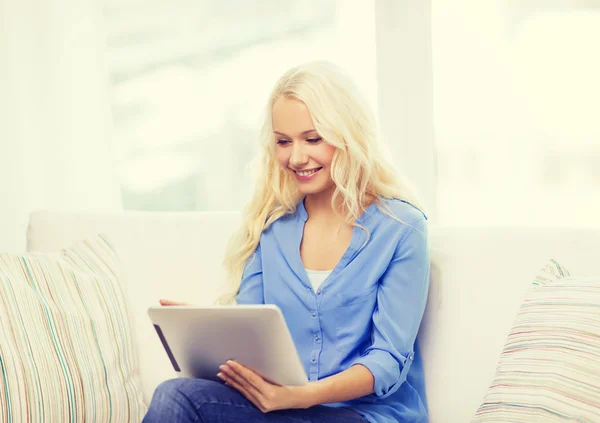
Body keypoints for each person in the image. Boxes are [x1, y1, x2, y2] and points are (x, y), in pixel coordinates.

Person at [143, 61, 430, 423]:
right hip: (283, 412)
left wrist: (303, 396)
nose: (295, 157)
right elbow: (252, 334)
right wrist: (205, 333)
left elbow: (388, 359)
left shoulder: (402, 228)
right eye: (283, 141)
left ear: (349, 136)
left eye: (312, 139)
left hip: (362, 415)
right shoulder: (270, 228)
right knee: (176, 396)